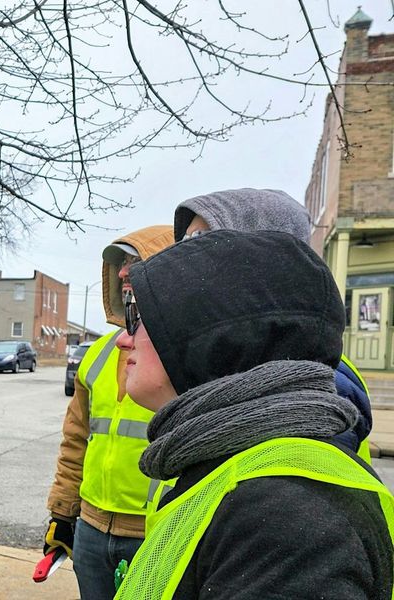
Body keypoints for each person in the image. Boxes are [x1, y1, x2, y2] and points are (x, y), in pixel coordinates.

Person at [113, 230, 393, 599]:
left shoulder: (287, 516)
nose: (122, 339)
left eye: (139, 318)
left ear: (213, 336)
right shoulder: (240, 469)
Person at [173, 188, 374, 459]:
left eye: (200, 238)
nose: (180, 255)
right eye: (183, 241)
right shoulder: (231, 361)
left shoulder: (309, 394)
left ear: (266, 255)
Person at [44, 225, 174, 600]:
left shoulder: (186, 354)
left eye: (134, 263)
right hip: (92, 531)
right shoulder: (100, 353)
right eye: (120, 264)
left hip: (154, 533)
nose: (121, 273)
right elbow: (75, 441)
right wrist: (63, 514)